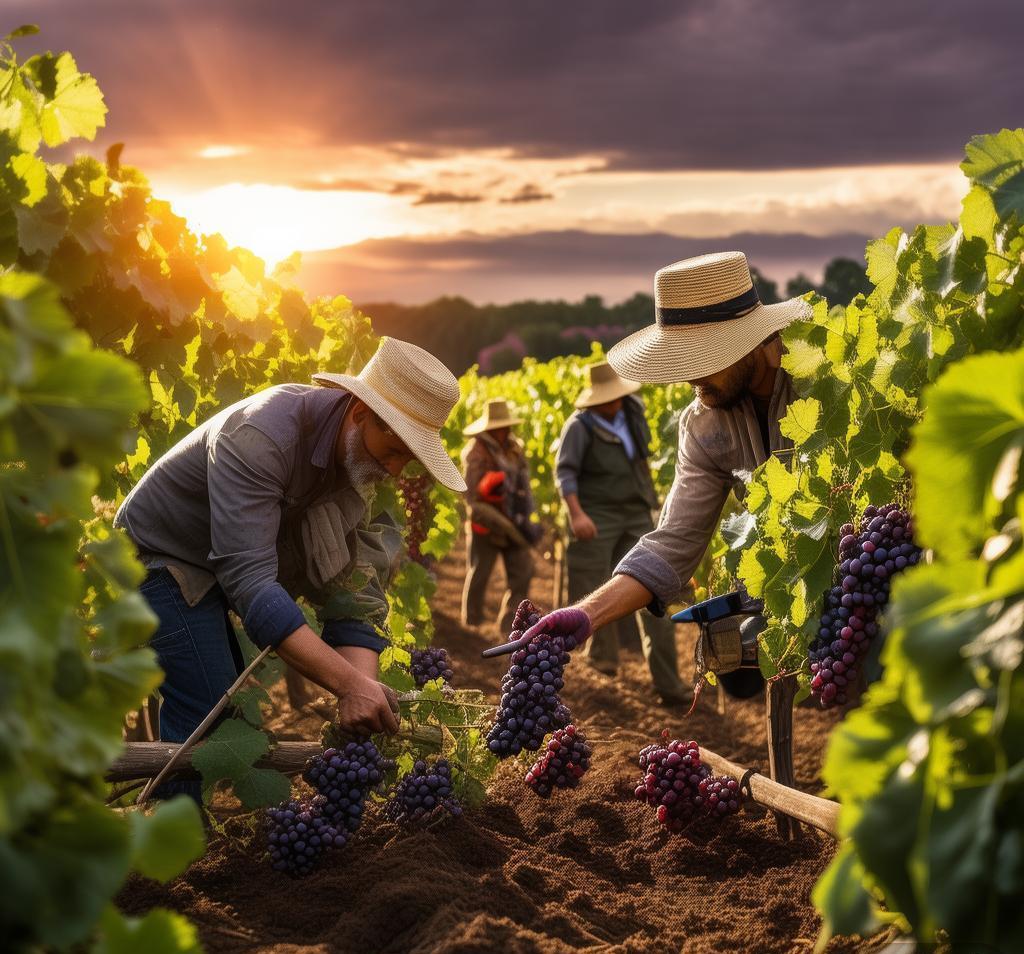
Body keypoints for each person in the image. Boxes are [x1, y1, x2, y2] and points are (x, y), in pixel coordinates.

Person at [116, 337, 467, 796]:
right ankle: (173, 845)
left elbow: (355, 595)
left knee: (225, 711)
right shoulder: (261, 437)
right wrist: (347, 686)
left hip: (212, 571)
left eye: (409, 459)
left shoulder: (360, 467)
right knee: (208, 707)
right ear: (360, 413)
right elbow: (251, 584)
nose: (396, 470)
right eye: (396, 449)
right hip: (156, 560)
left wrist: (363, 687)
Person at [489, 251, 812, 666]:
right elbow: (673, 543)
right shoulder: (704, 426)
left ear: (751, 341)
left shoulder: (826, 384)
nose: (690, 375)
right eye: (682, 358)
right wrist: (587, 614)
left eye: (703, 357)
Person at [556, 361, 690, 704]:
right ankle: (603, 666)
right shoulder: (579, 427)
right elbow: (566, 475)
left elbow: (642, 462)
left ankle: (669, 684)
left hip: (635, 511)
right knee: (594, 590)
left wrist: (654, 504)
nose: (614, 402)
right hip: (595, 514)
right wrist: (577, 515)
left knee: (653, 591)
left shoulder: (631, 413)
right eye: (608, 398)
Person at [461, 399, 540, 634]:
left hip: (513, 519)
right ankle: (471, 623)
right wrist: (496, 518)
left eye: (506, 426)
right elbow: (471, 495)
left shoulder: (515, 449)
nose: (503, 430)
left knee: (523, 570)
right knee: (480, 572)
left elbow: (523, 485)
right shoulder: (475, 452)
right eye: (499, 426)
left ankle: (509, 623)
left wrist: (526, 517)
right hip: (485, 523)